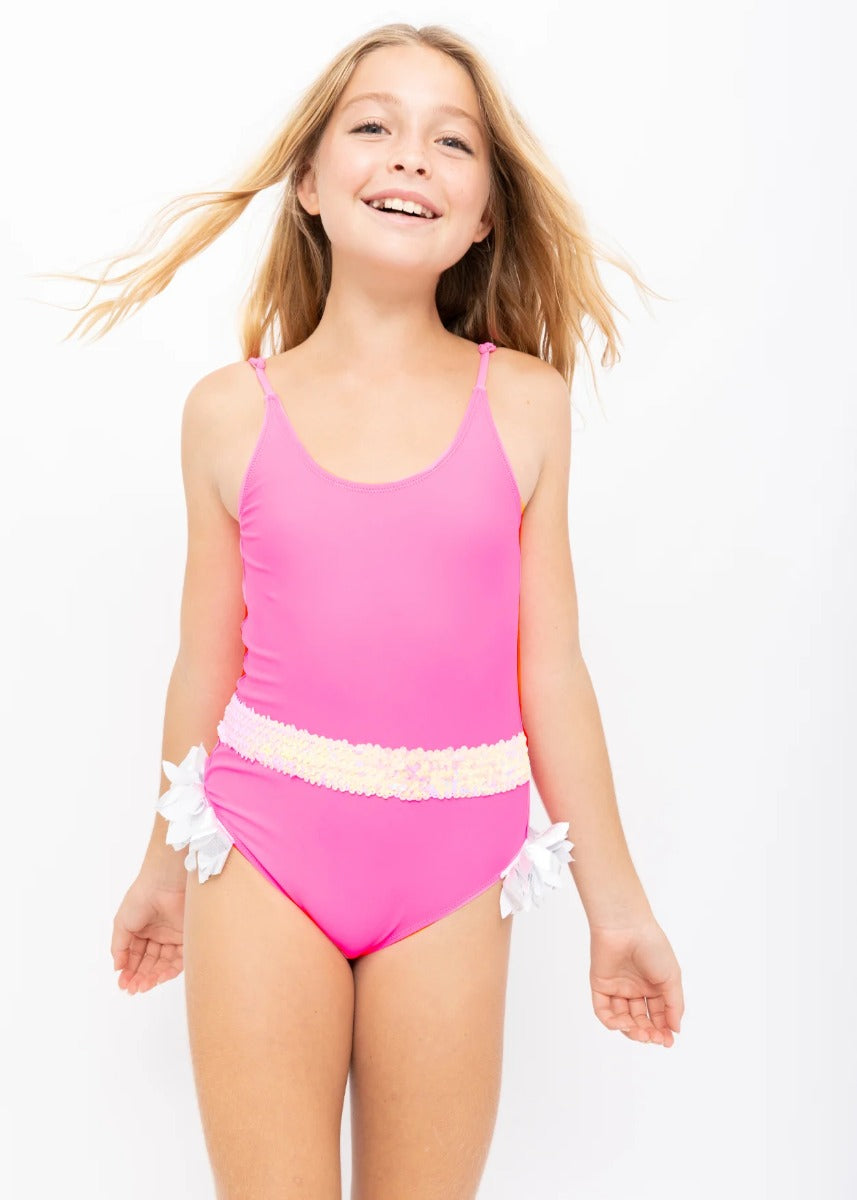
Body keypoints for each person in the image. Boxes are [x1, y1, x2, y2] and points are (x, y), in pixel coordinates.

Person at [56, 21, 684, 1198]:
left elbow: (549, 669)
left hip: (454, 867)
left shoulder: (528, 408)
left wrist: (618, 907)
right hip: (260, 850)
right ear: (307, 182)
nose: (410, 157)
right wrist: (157, 866)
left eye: (451, 142)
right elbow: (205, 662)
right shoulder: (225, 415)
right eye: (373, 127)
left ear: (485, 210)